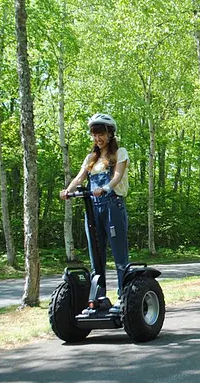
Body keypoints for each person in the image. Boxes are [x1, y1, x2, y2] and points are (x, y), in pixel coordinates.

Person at [59, 113, 130, 308]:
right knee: (96, 256)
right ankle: (99, 298)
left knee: (119, 255)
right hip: (93, 208)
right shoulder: (91, 158)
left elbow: (117, 176)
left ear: (110, 134)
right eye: (94, 135)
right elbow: (79, 178)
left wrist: (105, 188)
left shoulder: (120, 153)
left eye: (101, 134)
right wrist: (67, 191)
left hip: (113, 206)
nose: (97, 138)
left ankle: (124, 297)